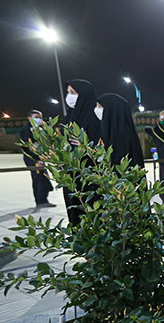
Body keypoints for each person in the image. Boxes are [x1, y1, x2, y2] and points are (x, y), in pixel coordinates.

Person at [62, 79, 102, 226]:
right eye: (68, 92)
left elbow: (105, 146)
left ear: (84, 94)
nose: (69, 96)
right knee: (75, 213)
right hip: (72, 176)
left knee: (94, 213)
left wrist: (87, 147)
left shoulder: (96, 118)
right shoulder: (68, 119)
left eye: (73, 93)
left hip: (91, 175)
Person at [96, 93, 144, 169]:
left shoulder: (123, 134)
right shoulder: (106, 130)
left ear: (111, 109)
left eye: (100, 107)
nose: (96, 109)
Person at [19, 110, 55, 207]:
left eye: (40, 117)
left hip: (40, 157)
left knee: (43, 177)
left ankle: (44, 199)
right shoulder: (26, 130)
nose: (39, 119)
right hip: (32, 158)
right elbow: (27, 146)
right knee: (38, 179)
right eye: (36, 117)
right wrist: (36, 159)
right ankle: (40, 201)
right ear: (29, 118)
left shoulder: (40, 129)